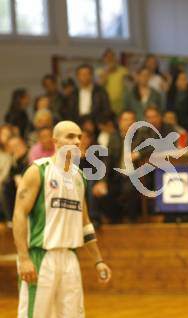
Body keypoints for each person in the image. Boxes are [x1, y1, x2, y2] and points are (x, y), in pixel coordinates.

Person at [12, 121, 111, 317]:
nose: (76, 141)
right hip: (41, 257)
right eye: (70, 136)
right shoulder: (38, 170)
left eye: (79, 137)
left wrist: (98, 260)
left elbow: (85, 223)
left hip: (70, 258)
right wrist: (23, 258)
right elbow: (19, 214)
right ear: (55, 141)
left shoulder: (80, 177)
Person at [97, 48, 129, 115]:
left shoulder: (123, 70)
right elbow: (99, 85)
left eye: (112, 57)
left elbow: (130, 84)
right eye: (108, 57)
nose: (110, 59)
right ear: (104, 59)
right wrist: (107, 71)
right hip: (106, 104)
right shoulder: (99, 71)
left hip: (121, 104)